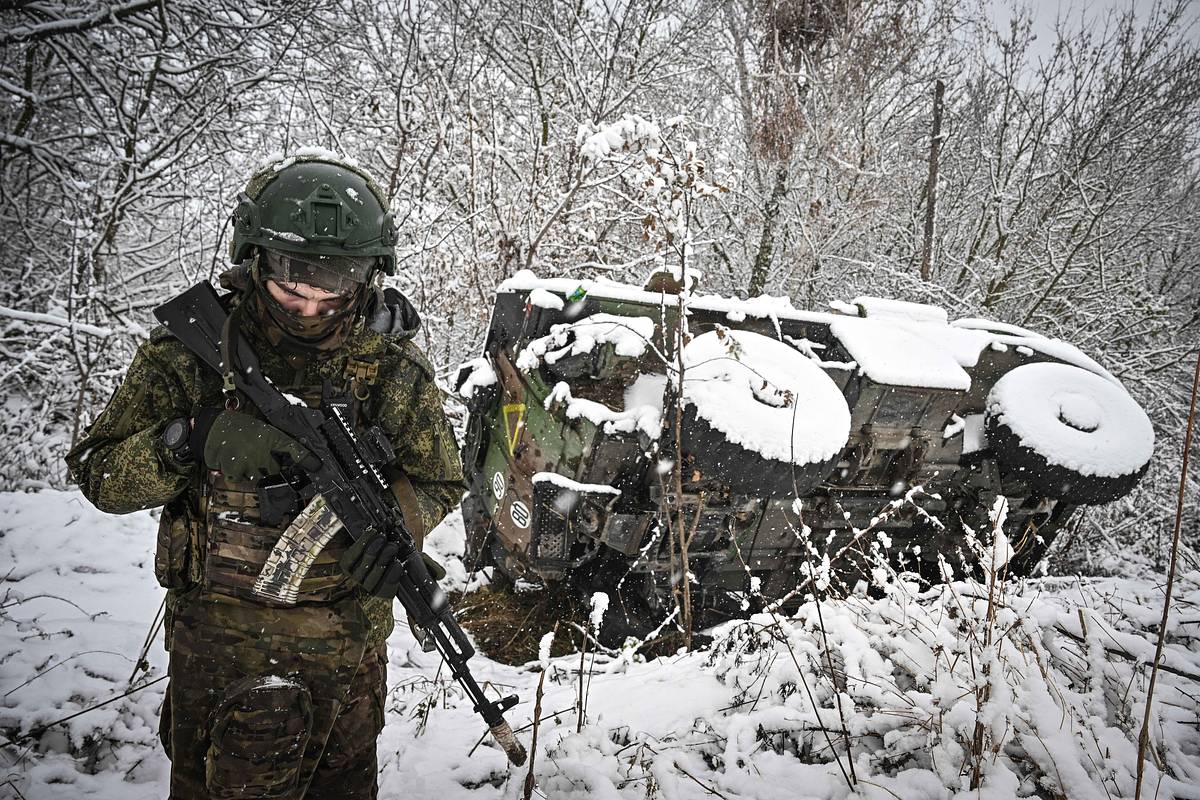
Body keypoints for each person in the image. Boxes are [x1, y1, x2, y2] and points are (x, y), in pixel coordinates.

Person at [66, 152, 465, 799]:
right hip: (223, 654)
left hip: (348, 662)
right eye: (289, 282)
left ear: (367, 277)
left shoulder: (387, 364)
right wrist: (191, 440)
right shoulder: (193, 352)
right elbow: (98, 472)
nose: (308, 305)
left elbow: (444, 479)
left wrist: (396, 526)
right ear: (254, 257)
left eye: (330, 286)